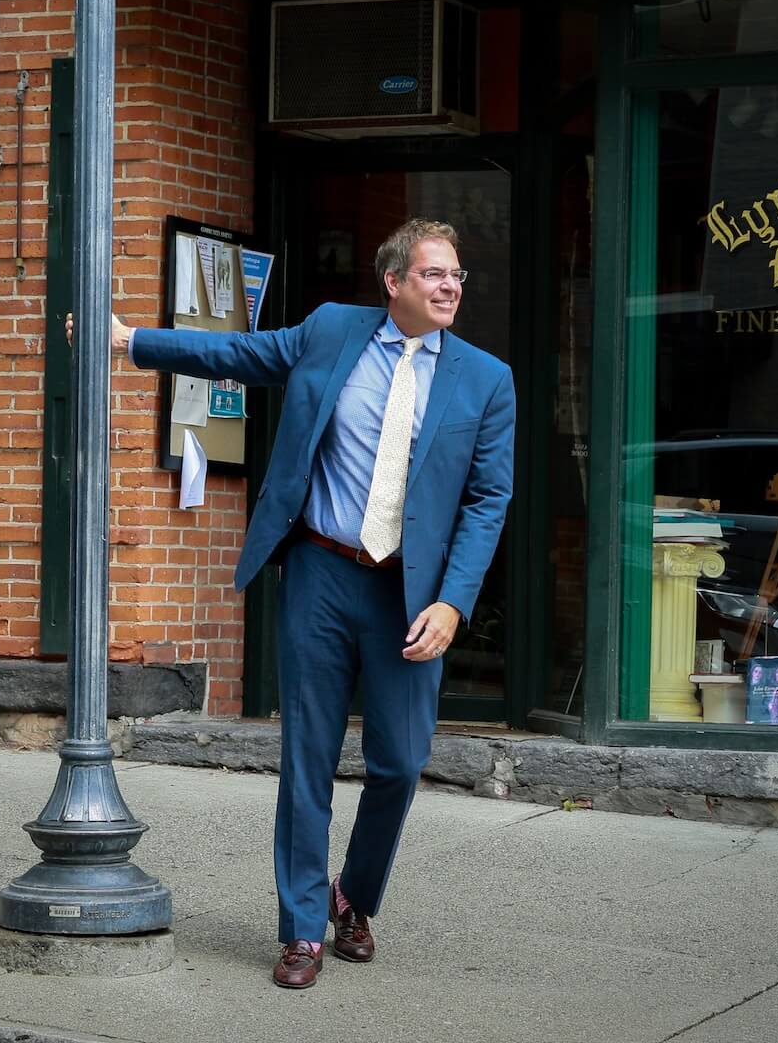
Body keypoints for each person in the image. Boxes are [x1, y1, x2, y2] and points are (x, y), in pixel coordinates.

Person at [89, 219, 514, 988]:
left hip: (410, 592)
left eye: (456, 275)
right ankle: (302, 929)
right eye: (434, 274)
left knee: (400, 763)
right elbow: (240, 354)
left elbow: (488, 501)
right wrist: (131, 342)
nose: (451, 287)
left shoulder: (486, 379)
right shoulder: (331, 330)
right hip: (322, 573)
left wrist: (454, 602)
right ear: (394, 282)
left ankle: (354, 896)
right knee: (308, 756)